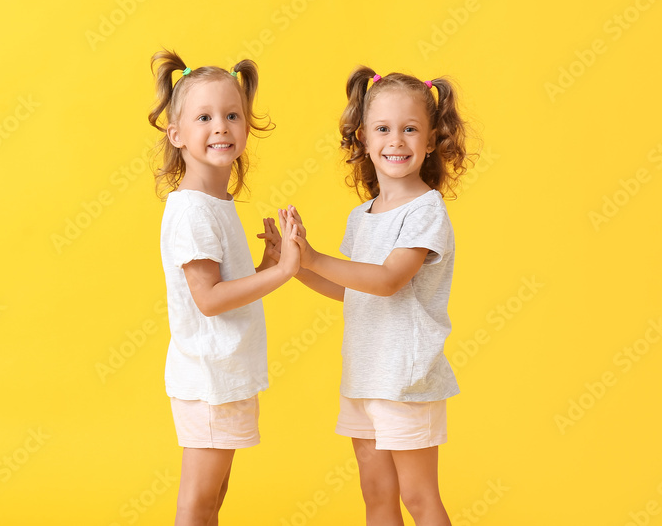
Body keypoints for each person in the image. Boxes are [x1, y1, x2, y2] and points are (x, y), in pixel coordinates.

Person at [281, 66, 472, 525]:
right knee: (377, 495)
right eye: (383, 129)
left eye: (410, 129)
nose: (396, 141)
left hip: (405, 380)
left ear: (430, 141)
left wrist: (314, 255)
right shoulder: (361, 215)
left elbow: (388, 280)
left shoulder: (426, 211)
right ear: (363, 140)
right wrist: (292, 266)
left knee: (419, 498)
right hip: (364, 377)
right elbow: (351, 289)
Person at [148, 49, 299, 526]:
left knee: (214, 497)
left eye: (232, 115)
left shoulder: (215, 202)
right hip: (208, 377)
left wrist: (265, 263)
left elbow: (224, 287)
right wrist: (282, 273)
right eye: (205, 117)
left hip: (224, 372)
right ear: (177, 135)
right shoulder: (193, 210)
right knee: (198, 502)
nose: (221, 127)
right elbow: (209, 301)